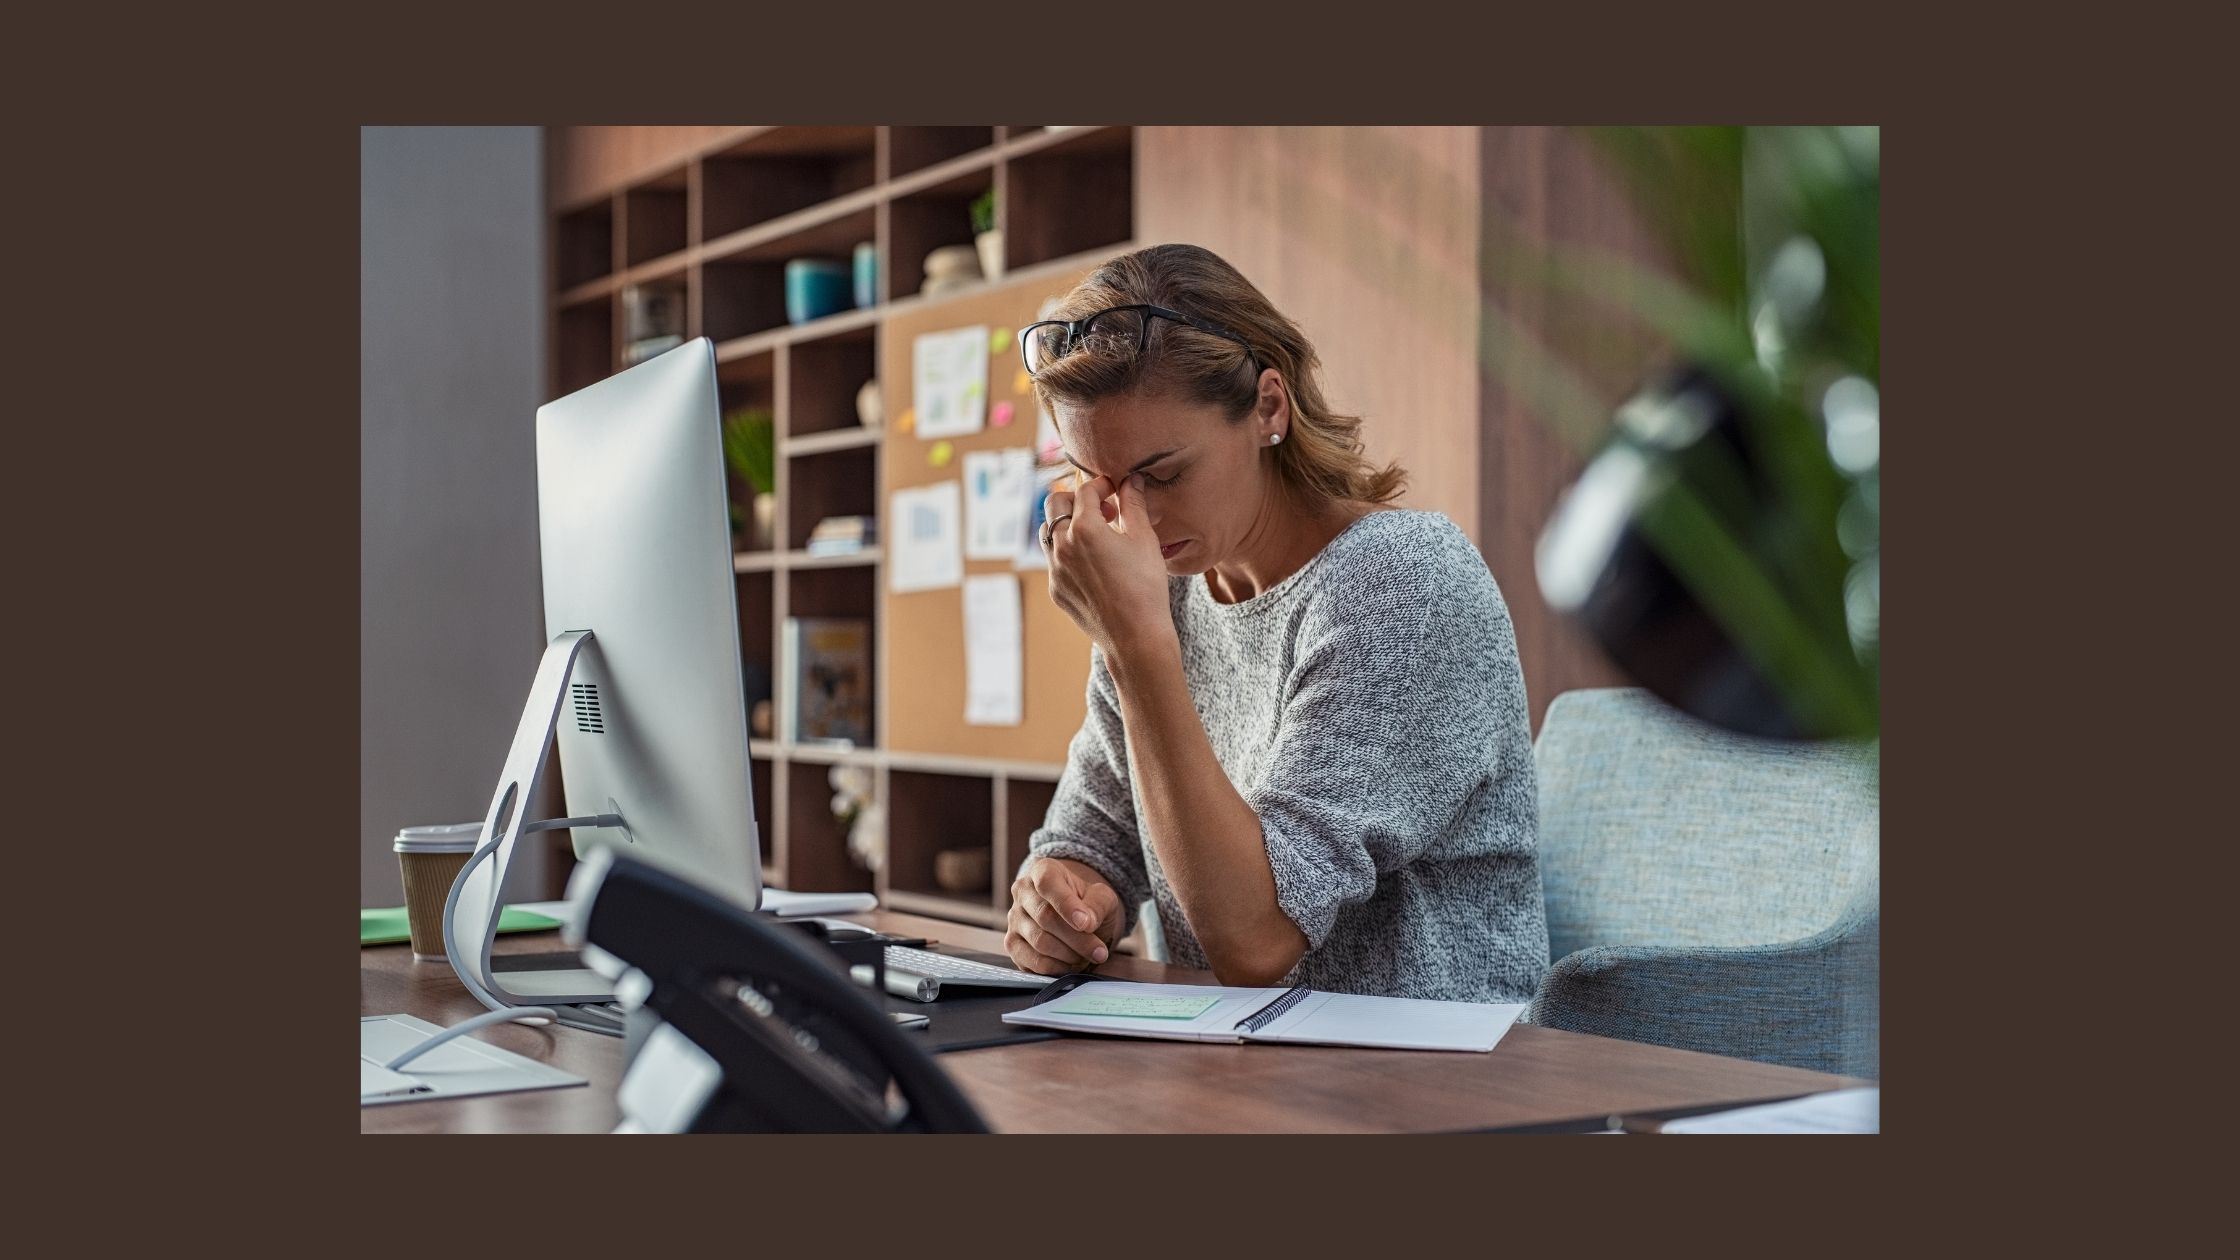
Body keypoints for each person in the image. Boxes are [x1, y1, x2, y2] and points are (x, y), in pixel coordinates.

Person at [1008, 243, 1548, 1002]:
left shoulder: (1402, 584)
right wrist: (1062, 900)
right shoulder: (1165, 594)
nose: (1131, 518)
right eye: (1099, 481)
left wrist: (1135, 644)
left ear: (1269, 407)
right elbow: (1094, 836)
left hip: (1431, 1081)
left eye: (1162, 475)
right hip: (1237, 1066)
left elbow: (1255, 939)